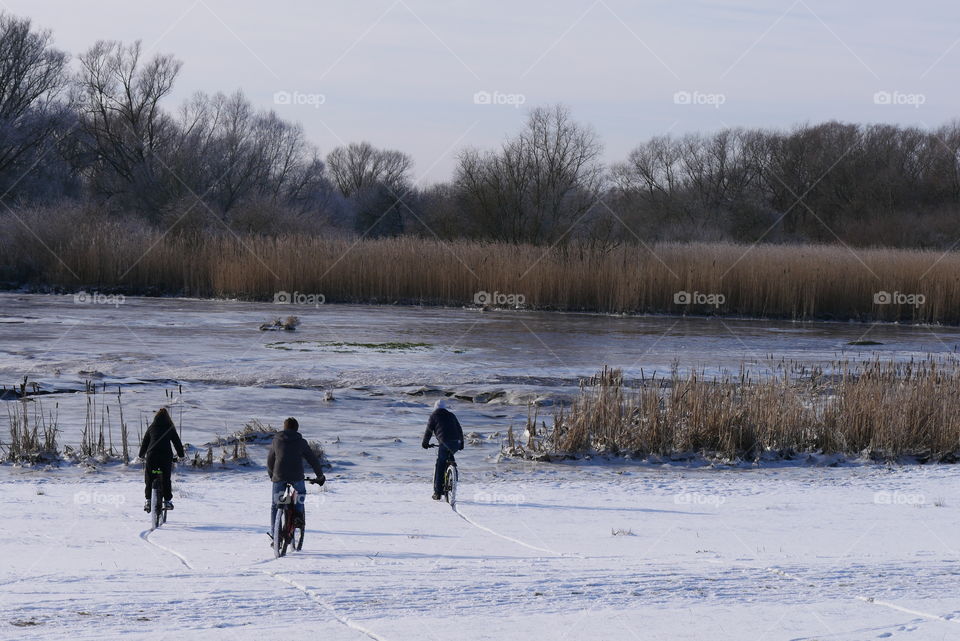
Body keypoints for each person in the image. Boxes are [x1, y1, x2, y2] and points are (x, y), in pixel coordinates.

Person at [267, 417, 325, 533]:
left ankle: (275, 535)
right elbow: (312, 460)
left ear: (284, 428)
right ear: (296, 429)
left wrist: (272, 475)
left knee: (275, 504)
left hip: (279, 475)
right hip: (296, 476)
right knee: (301, 492)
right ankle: (298, 516)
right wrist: (320, 476)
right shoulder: (301, 442)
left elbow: (270, 460)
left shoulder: (276, 440)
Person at [138, 407, 185, 512]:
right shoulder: (170, 428)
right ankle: (167, 501)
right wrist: (181, 455)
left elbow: (145, 443)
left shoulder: (151, 427)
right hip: (165, 456)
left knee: (149, 477)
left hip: (152, 456)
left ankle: (148, 501)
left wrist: (141, 455)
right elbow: (177, 443)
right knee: (166, 478)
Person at [422, 399, 464, 500]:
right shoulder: (451, 415)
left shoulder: (434, 416)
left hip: (444, 443)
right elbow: (459, 429)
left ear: (435, 407)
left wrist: (425, 443)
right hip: (455, 443)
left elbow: (428, 431)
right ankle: (454, 479)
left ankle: (437, 493)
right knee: (450, 457)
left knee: (440, 464)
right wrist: (461, 444)